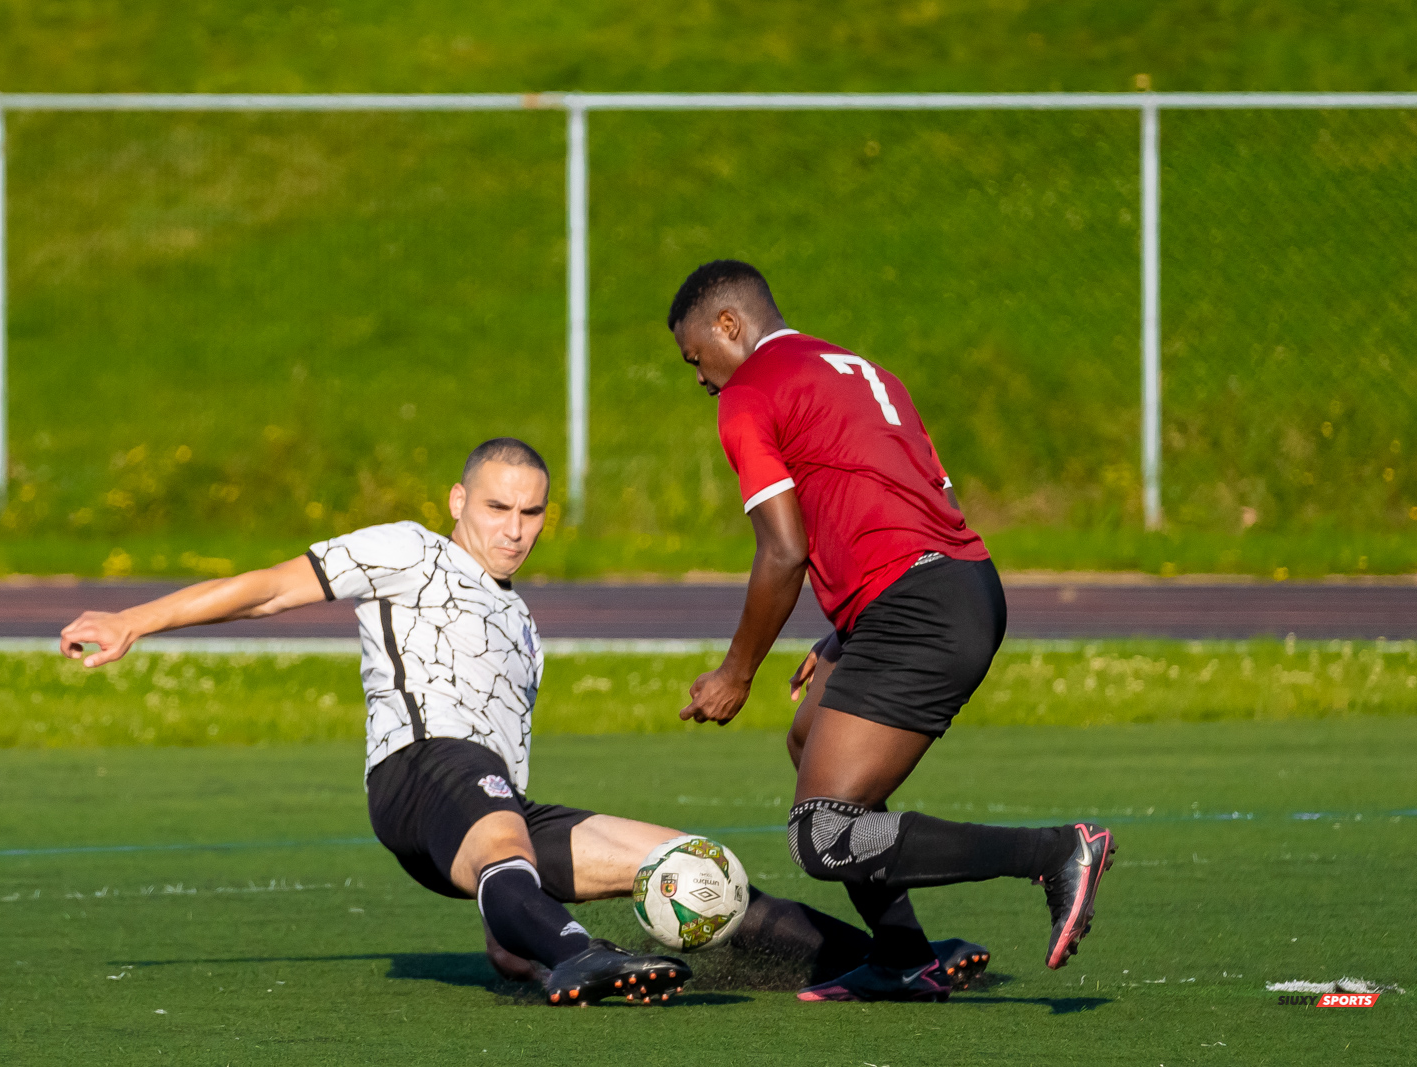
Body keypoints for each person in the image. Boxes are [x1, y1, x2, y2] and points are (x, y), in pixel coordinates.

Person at [59, 437, 988, 1005]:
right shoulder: (408, 552)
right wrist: (134, 621)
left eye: (530, 512)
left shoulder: (520, 617)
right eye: (496, 506)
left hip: (491, 807)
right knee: (495, 809)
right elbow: (265, 590)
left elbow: (499, 809)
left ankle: (885, 962)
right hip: (422, 772)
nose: (513, 526)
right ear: (458, 502)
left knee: (698, 871)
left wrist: (506, 923)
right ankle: (576, 955)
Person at [668, 260, 1115, 1003]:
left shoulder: (749, 391)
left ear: (728, 325)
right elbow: (896, 498)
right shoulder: (855, 368)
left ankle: (1057, 851)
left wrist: (736, 672)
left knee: (823, 834)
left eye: (695, 358)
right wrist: (848, 626)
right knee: (809, 739)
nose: (701, 379)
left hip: (922, 607)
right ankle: (903, 955)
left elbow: (783, 549)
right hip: (953, 585)